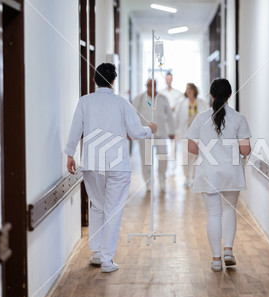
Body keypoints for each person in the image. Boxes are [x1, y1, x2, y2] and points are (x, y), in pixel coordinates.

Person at [65, 63, 157, 273]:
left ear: (95, 80)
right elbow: (135, 132)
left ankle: (97, 253)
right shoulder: (122, 103)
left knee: (97, 206)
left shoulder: (84, 101)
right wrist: (149, 130)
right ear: (114, 80)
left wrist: (70, 154)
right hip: (117, 165)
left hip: (92, 163)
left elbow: (75, 129)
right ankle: (107, 260)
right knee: (113, 209)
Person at [185, 78, 252, 272]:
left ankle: (216, 260)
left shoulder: (201, 118)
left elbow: (190, 146)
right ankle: (228, 251)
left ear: (211, 95)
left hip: (208, 171)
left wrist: (208, 152)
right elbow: (246, 150)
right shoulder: (239, 118)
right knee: (229, 210)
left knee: (213, 214)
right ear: (230, 95)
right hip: (231, 172)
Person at [132, 79, 175, 192]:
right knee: (146, 161)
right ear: (146, 86)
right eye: (149, 85)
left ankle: (162, 179)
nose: (151, 87)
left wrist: (172, 131)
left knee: (163, 159)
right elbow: (132, 116)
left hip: (161, 134)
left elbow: (169, 116)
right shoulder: (139, 99)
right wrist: (132, 131)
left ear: (156, 85)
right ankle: (149, 182)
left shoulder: (163, 99)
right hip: (145, 135)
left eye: (153, 85)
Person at [175, 83, 209, 188]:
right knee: (185, 157)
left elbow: (207, 117)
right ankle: (186, 178)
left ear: (194, 90)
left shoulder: (202, 103)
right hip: (185, 133)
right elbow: (177, 119)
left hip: (198, 134)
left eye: (190, 89)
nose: (188, 91)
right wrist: (176, 133)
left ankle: (193, 178)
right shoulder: (182, 103)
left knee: (195, 157)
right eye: (187, 89)